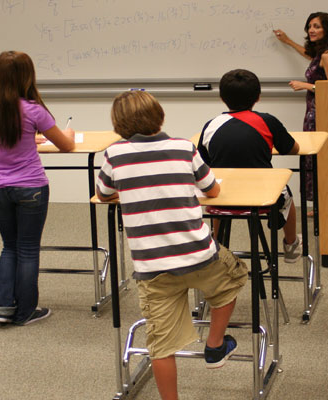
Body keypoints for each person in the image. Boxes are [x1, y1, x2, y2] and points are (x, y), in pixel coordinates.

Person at [96, 90, 247, 400]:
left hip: (153, 268)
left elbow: (102, 192)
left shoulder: (114, 154)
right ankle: (215, 345)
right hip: (200, 257)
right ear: (160, 116)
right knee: (233, 278)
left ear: (119, 125)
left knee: (161, 346)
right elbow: (213, 190)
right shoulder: (183, 148)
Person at [0, 51, 75, 326]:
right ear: (27, 76)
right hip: (30, 186)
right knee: (28, 248)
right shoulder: (33, 109)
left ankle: (3, 306)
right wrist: (69, 135)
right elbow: (66, 145)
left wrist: (27, 140)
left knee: (10, 247)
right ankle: (26, 311)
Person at [198, 69, 302, 263]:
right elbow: (293, 149)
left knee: (216, 190)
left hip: (223, 195)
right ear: (258, 97)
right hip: (262, 196)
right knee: (287, 194)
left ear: (222, 98)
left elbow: (205, 161)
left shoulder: (211, 125)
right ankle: (291, 243)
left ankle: (217, 245)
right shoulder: (267, 121)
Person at [274, 12, 328, 207]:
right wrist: (288, 41)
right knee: (312, 159)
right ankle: (319, 203)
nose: (311, 30)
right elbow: (309, 55)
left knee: (316, 157)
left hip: (321, 112)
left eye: (316, 26)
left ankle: (322, 202)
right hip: (313, 110)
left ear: (327, 29)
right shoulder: (322, 53)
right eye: (310, 26)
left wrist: (305, 86)